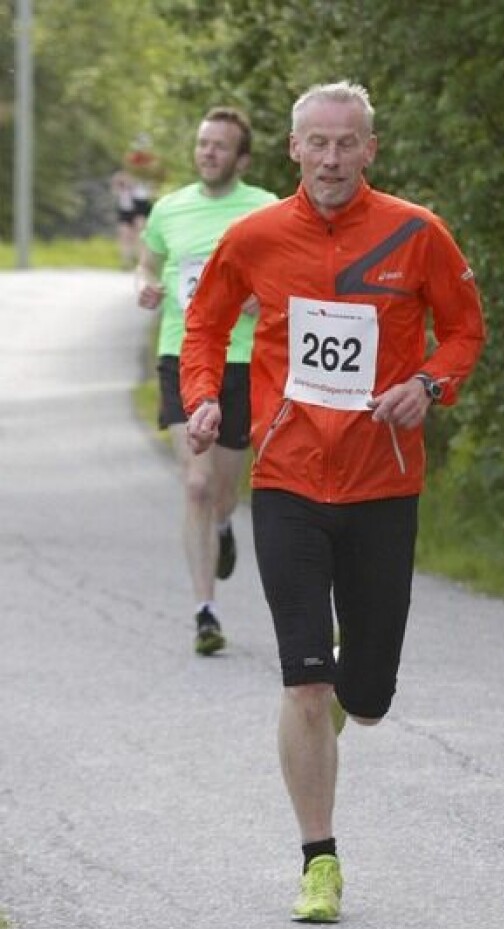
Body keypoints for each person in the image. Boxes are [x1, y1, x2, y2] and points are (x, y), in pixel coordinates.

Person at [179, 81, 485, 922]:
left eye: (348, 143)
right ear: (293, 149)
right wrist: (203, 397)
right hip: (287, 480)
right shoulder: (255, 235)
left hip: (384, 482)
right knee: (305, 683)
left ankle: (350, 685)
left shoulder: (416, 233)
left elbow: (465, 329)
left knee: (369, 697)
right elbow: (205, 325)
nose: (332, 158)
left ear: (371, 150)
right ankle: (319, 861)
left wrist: (430, 383)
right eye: (317, 142)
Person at [136, 108, 278, 656]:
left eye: (220, 146)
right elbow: (147, 264)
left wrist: (263, 297)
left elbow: (290, 276)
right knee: (195, 483)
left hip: (241, 360)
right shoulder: (169, 208)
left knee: (222, 490)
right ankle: (205, 613)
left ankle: (222, 526)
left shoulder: (265, 209)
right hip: (182, 354)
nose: (208, 153)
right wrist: (145, 285)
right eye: (203, 144)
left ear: (242, 159)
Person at [113, 134, 165, 268]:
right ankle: (127, 260)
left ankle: (141, 260)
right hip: (128, 200)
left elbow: (158, 179)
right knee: (126, 231)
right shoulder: (130, 159)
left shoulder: (152, 161)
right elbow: (120, 180)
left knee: (141, 228)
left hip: (143, 198)